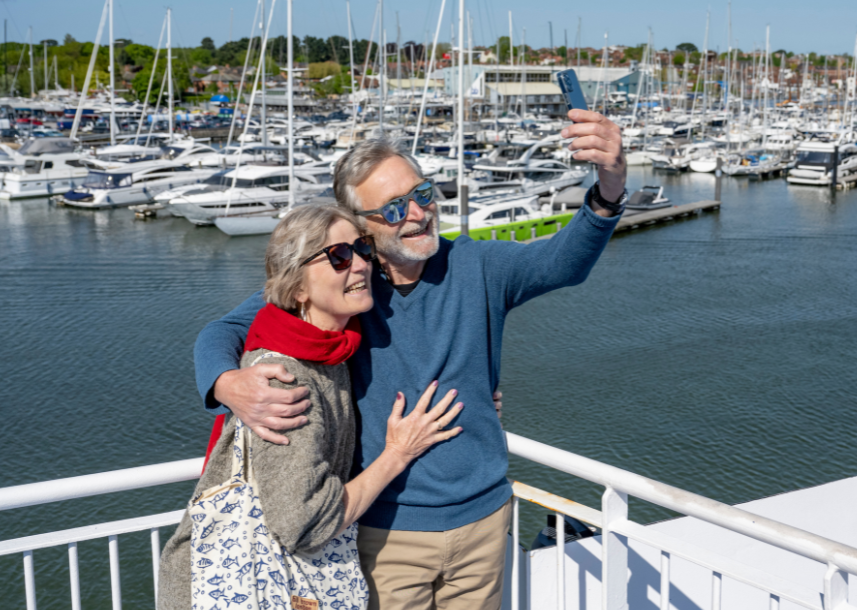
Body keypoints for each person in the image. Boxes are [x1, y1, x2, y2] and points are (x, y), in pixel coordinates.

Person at [193, 109, 627, 608]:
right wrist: (227, 385)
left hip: (484, 523)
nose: (418, 214)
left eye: (422, 195)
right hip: (386, 533)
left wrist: (608, 188)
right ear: (361, 228)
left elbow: (562, 263)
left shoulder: (478, 265)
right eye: (395, 208)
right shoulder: (347, 285)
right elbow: (223, 330)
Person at [159, 204, 463, 609]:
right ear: (298, 287)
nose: (358, 265)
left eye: (362, 249)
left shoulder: (332, 351)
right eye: (338, 256)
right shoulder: (286, 379)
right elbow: (305, 522)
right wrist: (398, 454)